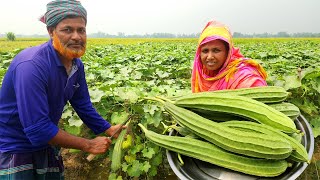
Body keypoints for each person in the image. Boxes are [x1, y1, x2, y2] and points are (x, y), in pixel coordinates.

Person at [0, 0, 125, 179]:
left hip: (47, 144)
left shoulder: (76, 65)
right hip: (16, 147)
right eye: (67, 30)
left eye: (81, 30)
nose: (76, 36)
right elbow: (37, 129)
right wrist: (88, 145)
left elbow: (82, 103)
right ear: (51, 32)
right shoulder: (32, 65)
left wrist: (107, 129)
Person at [191, 20, 268, 92]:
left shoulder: (245, 78)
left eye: (216, 50)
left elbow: (259, 98)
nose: (210, 56)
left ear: (228, 52)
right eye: (205, 51)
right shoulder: (202, 74)